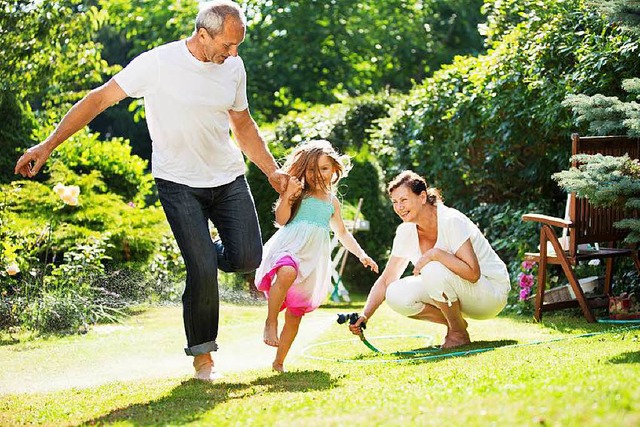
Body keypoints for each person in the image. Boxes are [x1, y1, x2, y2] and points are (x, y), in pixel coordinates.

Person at [14, 0, 288, 381]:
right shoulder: (157, 64)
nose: (234, 53)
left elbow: (242, 124)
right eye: (227, 44)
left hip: (227, 178)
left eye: (237, 45)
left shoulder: (233, 67)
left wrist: (272, 171)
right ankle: (203, 356)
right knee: (203, 270)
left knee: (246, 257)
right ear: (203, 34)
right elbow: (98, 100)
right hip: (178, 183)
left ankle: (200, 255)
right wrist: (47, 145)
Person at [255, 140, 379, 372]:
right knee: (286, 270)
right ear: (304, 169)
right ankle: (270, 321)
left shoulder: (332, 202)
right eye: (311, 169)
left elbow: (342, 232)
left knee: (294, 314)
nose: (317, 174)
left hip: (311, 260)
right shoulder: (298, 192)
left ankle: (279, 362)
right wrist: (287, 195)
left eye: (323, 168)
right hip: (289, 247)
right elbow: (281, 220)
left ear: (334, 169)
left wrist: (361, 254)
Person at [349, 170, 510, 348]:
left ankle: (458, 334)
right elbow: (387, 279)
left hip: (490, 294)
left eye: (403, 200)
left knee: (432, 267)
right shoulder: (406, 231)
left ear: (423, 197)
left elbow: (473, 273)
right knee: (394, 293)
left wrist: (434, 254)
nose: (399, 207)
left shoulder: (451, 220)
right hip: (460, 293)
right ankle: (456, 325)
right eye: (395, 202)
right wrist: (364, 316)